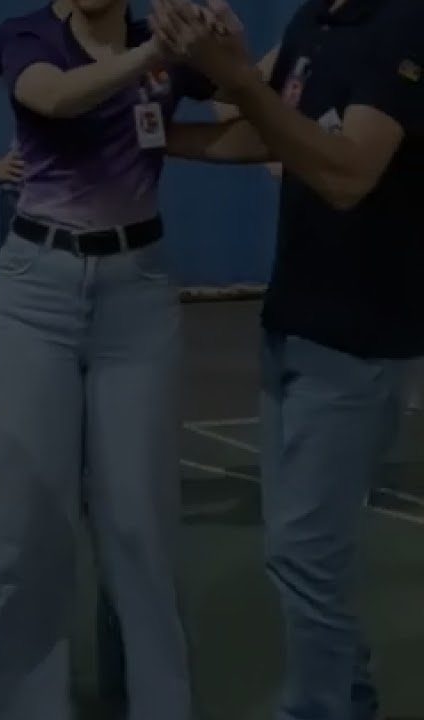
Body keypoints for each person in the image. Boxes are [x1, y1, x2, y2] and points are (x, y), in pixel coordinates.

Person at [153, 0, 424, 717]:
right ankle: (350, 696)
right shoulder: (316, 20)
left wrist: (237, 79)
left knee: (304, 556)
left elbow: (346, 173)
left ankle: (322, 707)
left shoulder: (405, 27)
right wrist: (153, 135)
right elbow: (261, 136)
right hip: (292, 324)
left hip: (359, 338)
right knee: (302, 556)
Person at [0, 0, 227, 716]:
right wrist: (158, 52)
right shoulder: (31, 34)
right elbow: (54, 97)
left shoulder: (164, 41)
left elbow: (249, 93)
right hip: (37, 291)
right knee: (28, 530)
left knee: (141, 526)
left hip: (138, 293)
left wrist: (228, 50)